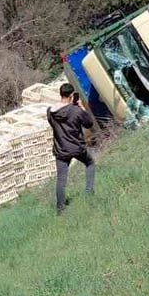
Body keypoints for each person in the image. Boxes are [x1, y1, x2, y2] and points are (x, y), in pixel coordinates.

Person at [47, 83, 96, 215]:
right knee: (90, 163)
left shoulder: (50, 112)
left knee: (61, 179)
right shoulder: (76, 110)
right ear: (71, 96)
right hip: (77, 147)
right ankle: (89, 190)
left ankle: (60, 209)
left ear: (61, 94)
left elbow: (53, 124)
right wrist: (80, 106)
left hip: (61, 150)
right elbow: (89, 123)